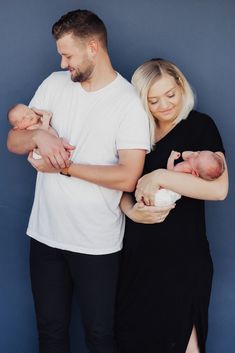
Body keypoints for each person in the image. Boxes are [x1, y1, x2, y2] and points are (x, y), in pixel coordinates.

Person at [7, 9, 150, 353]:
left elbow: (129, 177)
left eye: (67, 55)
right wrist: (41, 139)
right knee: (50, 333)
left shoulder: (128, 103)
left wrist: (65, 167)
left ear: (93, 48)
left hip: (96, 244)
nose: (61, 63)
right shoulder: (54, 85)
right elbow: (15, 140)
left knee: (100, 337)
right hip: (45, 236)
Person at [115, 59, 228, 353]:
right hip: (137, 256)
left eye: (170, 95)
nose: (164, 105)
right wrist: (130, 210)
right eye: (153, 100)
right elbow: (120, 184)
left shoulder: (201, 126)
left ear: (181, 86)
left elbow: (219, 189)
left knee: (183, 341)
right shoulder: (134, 132)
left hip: (183, 257)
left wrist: (162, 176)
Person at [154, 149, 225, 206]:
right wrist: (194, 156)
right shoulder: (192, 166)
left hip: (166, 194)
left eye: (197, 156)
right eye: (199, 152)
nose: (195, 153)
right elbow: (185, 154)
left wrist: (171, 158)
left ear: (195, 173)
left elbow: (169, 175)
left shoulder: (185, 168)